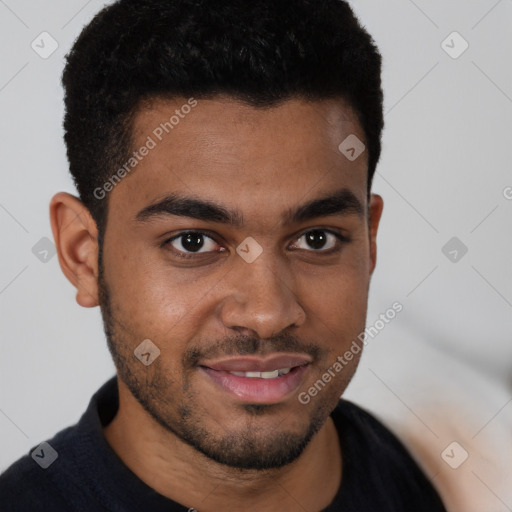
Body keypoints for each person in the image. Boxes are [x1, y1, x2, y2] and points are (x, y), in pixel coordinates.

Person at [0, 0, 447, 510]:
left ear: (368, 240)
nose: (267, 313)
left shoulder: (403, 473)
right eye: (193, 242)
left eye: (316, 238)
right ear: (83, 256)